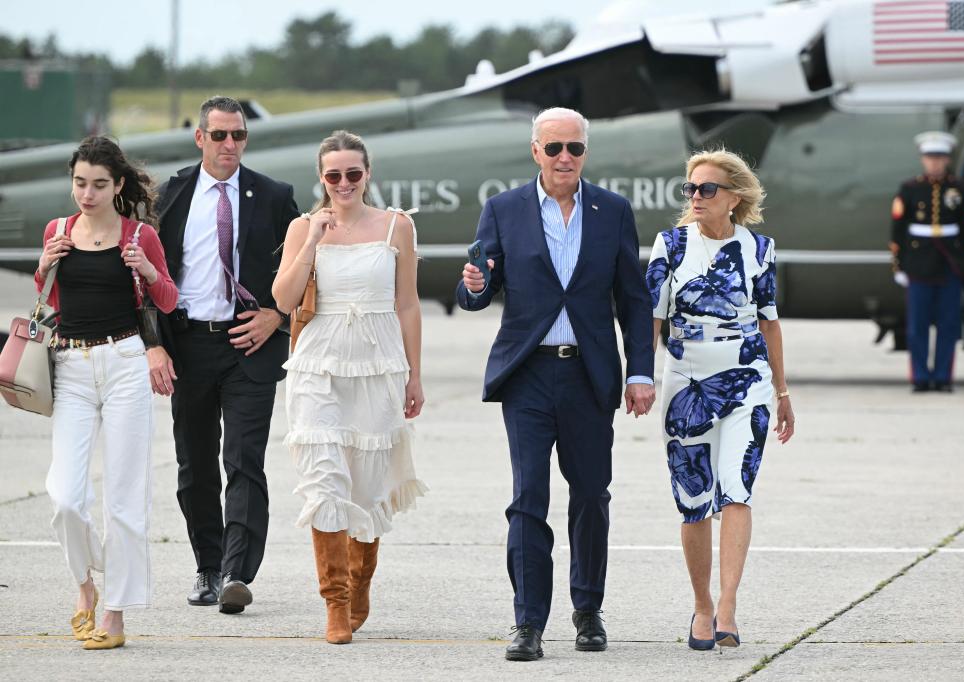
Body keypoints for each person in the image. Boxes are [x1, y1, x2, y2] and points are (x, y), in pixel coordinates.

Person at [457, 107, 656, 662]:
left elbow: (633, 301)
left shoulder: (612, 211)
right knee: (528, 499)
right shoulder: (503, 209)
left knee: (591, 495)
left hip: (589, 374)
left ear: (585, 153)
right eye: (554, 148)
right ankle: (528, 622)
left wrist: (640, 370)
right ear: (535, 151)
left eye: (574, 148)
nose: (564, 157)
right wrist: (474, 284)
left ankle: (588, 610)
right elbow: (478, 287)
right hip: (528, 374)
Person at [272, 130, 427, 644]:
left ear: (368, 175)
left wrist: (415, 375)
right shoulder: (303, 227)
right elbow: (284, 297)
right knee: (325, 483)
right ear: (321, 177)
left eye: (352, 174)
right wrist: (314, 241)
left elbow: (407, 303)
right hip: (318, 365)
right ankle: (335, 603)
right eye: (333, 175)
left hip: (379, 366)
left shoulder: (396, 226)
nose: (343, 183)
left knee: (366, 488)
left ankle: (360, 588)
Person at [147, 96, 300, 614]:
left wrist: (277, 314)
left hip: (248, 344)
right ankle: (207, 567)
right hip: (187, 343)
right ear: (200, 138)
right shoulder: (170, 195)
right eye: (219, 136)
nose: (230, 144)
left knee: (243, 460)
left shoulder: (275, 196)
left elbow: (305, 265)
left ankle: (237, 572)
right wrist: (156, 345)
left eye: (238, 135)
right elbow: (145, 277)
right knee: (194, 464)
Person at [646, 149, 794, 651]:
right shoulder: (670, 246)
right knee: (693, 501)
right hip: (684, 382)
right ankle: (702, 605)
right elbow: (653, 321)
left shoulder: (761, 248)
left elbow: (769, 320)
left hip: (747, 380)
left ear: (734, 197)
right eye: (690, 189)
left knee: (736, 489)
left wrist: (781, 390)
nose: (696, 197)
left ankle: (728, 606)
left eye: (707, 189)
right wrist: (638, 378)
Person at [34, 136, 178, 649]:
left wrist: (145, 269)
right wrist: (46, 263)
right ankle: (86, 585)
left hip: (124, 363)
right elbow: (48, 299)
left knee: (124, 496)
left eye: (98, 184)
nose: (87, 194)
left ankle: (115, 613)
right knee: (65, 496)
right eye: (79, 183)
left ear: (118, 185)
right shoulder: (57, 230)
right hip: (70, 367)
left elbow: (168, 296)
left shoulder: (139, 233)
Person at [889, 131, 964, 393]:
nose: (935, 162)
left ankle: (942, 377)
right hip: (918, 263)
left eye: (940, 157)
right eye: (930, 157)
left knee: (948, 324)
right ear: (923, 159)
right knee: (917, 325)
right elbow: (898, 231)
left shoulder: (959, 188)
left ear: (947, 160)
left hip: (949, 262)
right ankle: (920, 377)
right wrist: (899, 266)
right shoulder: (910, 189)